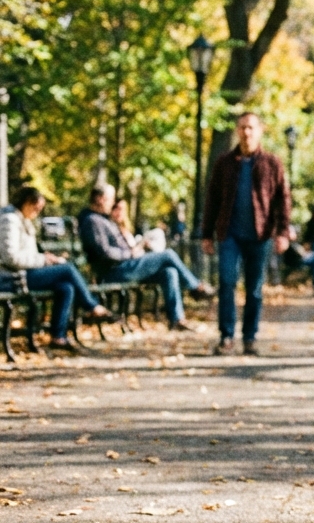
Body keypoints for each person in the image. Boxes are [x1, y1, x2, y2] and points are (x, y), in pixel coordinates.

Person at [202, 112, 292, 355]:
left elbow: (283, 199)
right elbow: (212, 199)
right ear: (237, 131)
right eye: (242, 127)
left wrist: (283, 232)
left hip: (259, 235)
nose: (246, 132)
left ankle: (249, 337)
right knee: (227, 283)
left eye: (251, 127)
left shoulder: (272, 163)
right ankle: (226, 336)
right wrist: (206, 234)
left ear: (260, 131)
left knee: (254, 289)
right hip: (229, 234)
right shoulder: (224, 163)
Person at [80, 184, 213, 332]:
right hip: (115, 271)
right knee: (168, 255)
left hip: (125, 266)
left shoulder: (102, 219)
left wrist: (135, 249)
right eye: (110, 199)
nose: (112, 203)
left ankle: (177, 319)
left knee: (169, 272)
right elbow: (104, 252)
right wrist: (130, 254)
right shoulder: (92, 221)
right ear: (99, 199)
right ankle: (195, 287)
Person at [0, 187, 113, 351]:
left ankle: (58, 337)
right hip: (11, 278)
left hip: (23, 274)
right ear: (26, 202)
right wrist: (44, 260)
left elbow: (25, 254)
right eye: (36, 207)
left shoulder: (22, 220)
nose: (38, 212)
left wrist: (48, 258)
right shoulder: (9, 220)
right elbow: (10, 258)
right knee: (67, 269)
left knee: (65, 287)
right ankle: (92, 306)